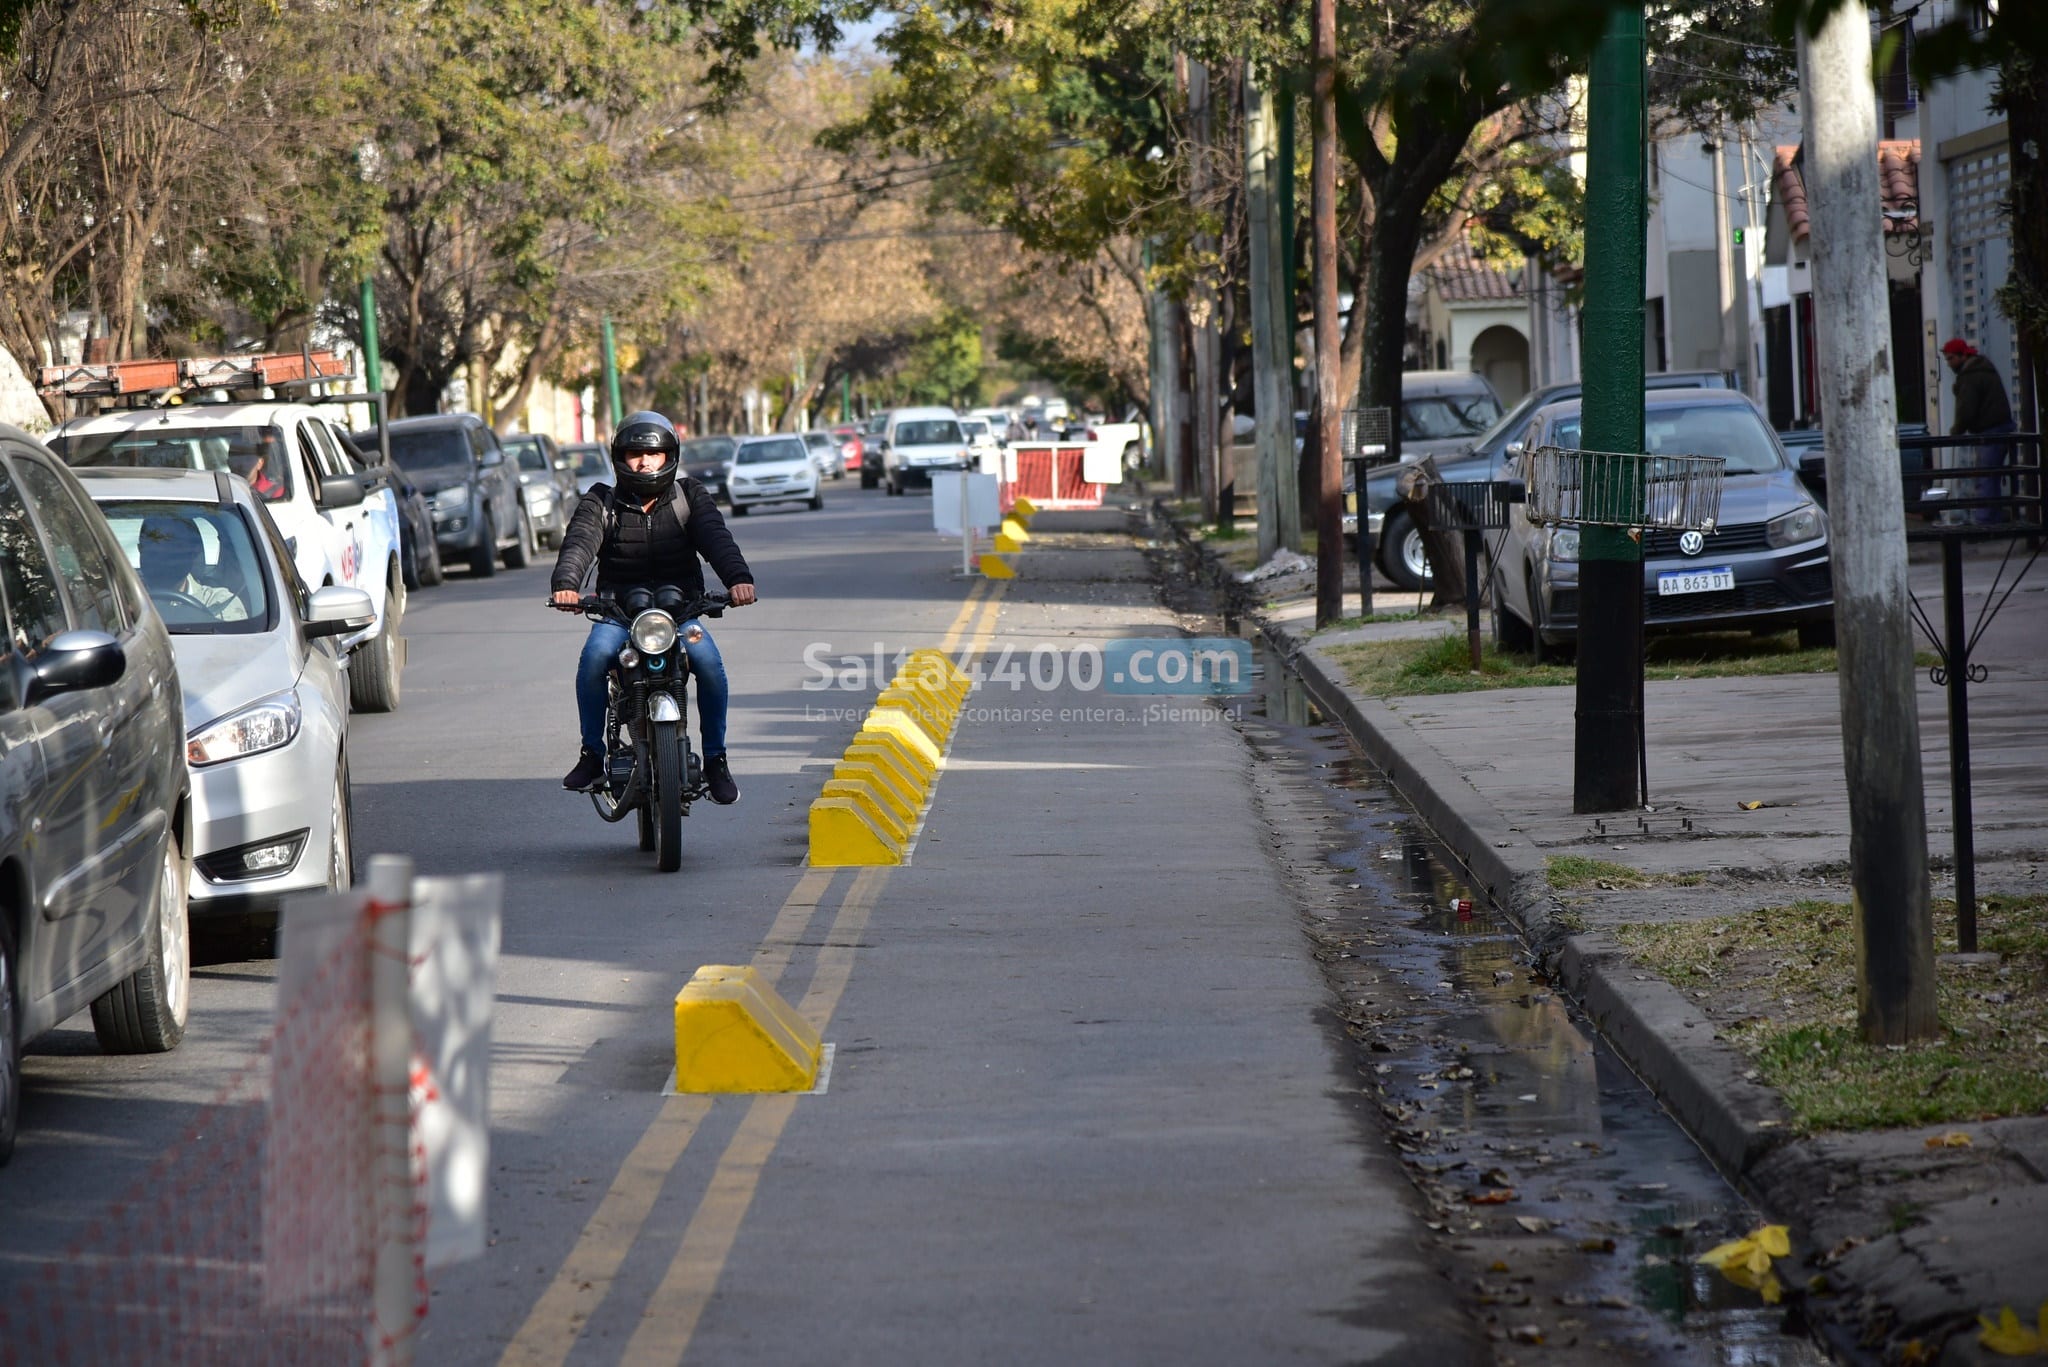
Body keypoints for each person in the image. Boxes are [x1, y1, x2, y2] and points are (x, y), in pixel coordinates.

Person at [549, 411, 755, 802]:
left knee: (708, 663)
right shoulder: (600, 501)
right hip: (618, 612)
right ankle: (592, 753)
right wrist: (567, 586)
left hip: (682, 612)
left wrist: (738, 580)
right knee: (594, 656)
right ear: (619, 458)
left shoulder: (689, 496)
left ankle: (716, 759)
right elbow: (579, 545)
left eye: (655, 454)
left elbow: (717, 540)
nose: (644, 462)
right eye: (634, 454)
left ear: (670, 456)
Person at [1942, 337, 2016, 525]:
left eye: (1951, 359)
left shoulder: (1970, 376)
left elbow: (1966, 409)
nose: (1949, 364)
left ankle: (1984, 521)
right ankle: (1992, 518)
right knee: (1990, 476)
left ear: (1961, 356)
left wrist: (1956, 431)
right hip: (1999, 427)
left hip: (1989, 431)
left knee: (1985, 476)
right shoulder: (1982, 369)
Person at [137, 516, 247, 621]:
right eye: (153, 549)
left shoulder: (220, 603)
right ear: (140, 549)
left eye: (174, 548)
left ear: (194, 552)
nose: (162, 557)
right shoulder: (121, 603)